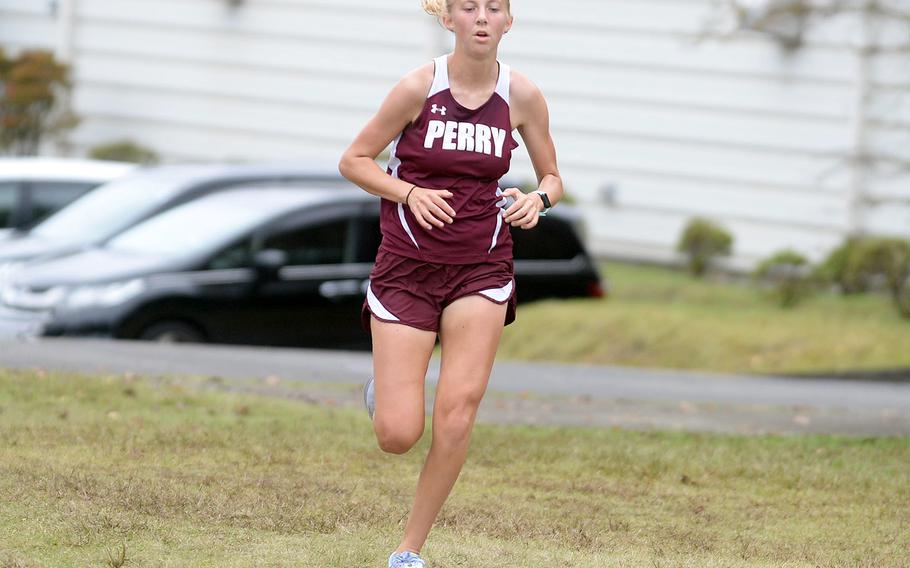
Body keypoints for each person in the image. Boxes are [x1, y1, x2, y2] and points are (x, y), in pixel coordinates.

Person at [338, 0, 563, 566]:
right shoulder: (418, 88)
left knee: (458, 413)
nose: (482, 17)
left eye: (495, 8)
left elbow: (553, 178)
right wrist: (408, 192)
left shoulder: (523, 96)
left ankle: (409, 551)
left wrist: (537, 201)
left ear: (509, 21)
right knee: (398, 434)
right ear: (449, 19)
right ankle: (385, 394)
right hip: (407, 268)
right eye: (470, 7)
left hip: (482, 268)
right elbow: (355, 160)